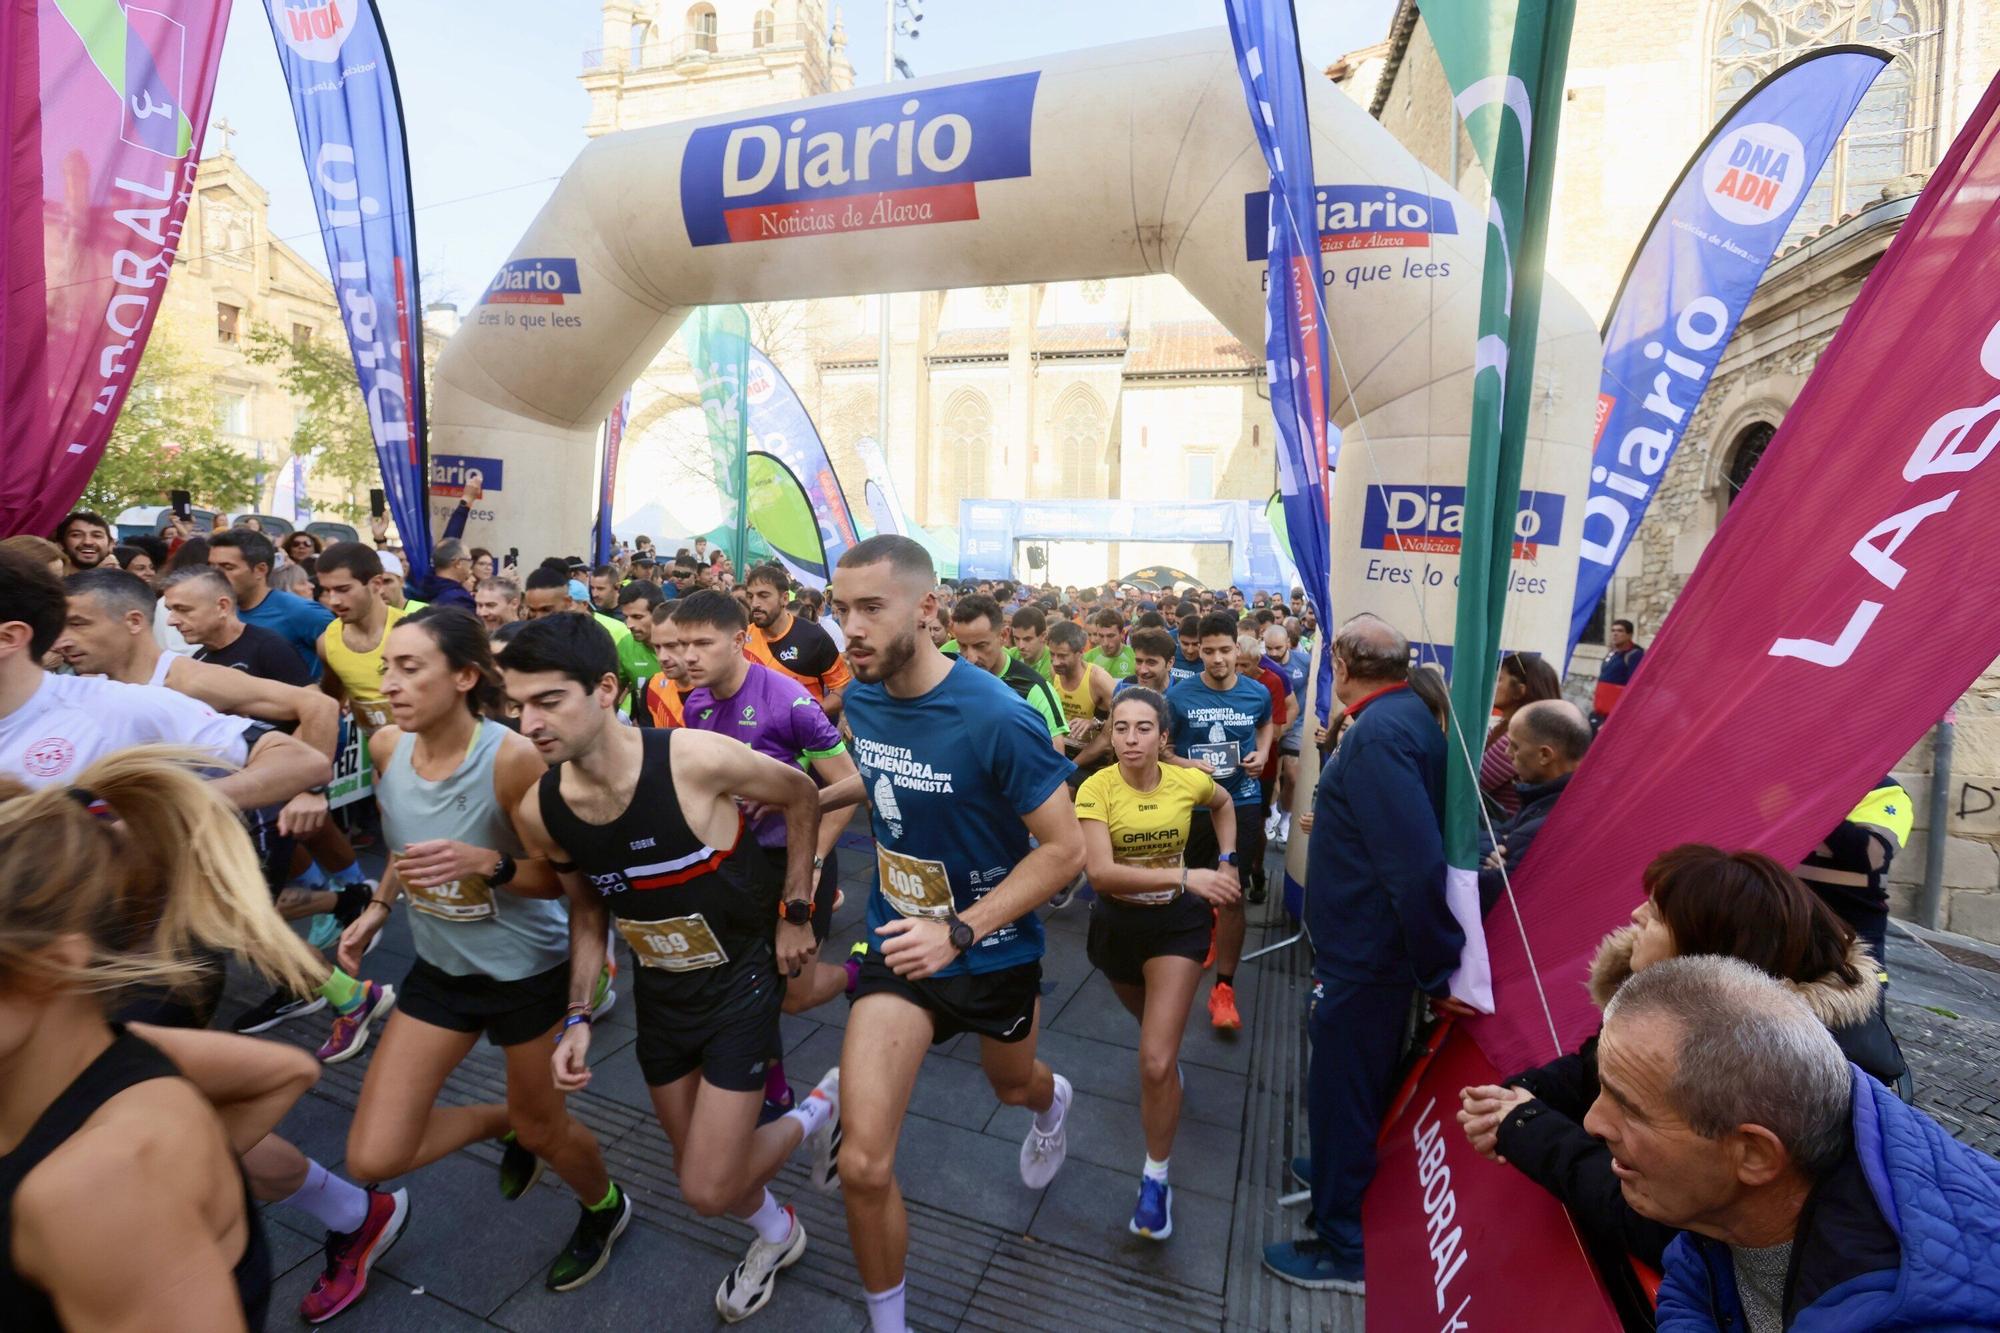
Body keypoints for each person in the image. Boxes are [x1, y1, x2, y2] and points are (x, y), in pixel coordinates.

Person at [501, 614, 843, 1323]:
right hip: (663, 990)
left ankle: (820, 1106)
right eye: (517, 704)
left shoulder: (694, 757)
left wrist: (796, 907)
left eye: (547, 701)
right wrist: (576, 1017)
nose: (528, 722)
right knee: (707, 1167)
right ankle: (781, 1235)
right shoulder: (541, 807)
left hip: (744, 975)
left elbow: (804, 793)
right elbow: (589, 910)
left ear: (604, 689)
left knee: (708, 1188)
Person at [825, 536, 1083, 1333]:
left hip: (991, 947)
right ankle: (890, 1323)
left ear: (926, 608)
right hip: (899, 943)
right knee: (863, 1164)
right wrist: (796, 808)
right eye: (841, 611)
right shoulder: (860, 696)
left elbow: (1066, 851)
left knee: (1011, 1084)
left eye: (872, 607)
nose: (852, 629)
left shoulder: (997, 716)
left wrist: (962, 929)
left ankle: (1054, 1100)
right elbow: (876, 780)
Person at [1458, 847, 1907, 1302]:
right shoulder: (1687, 1008)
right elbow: (1593, 1066)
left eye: (1654, 915)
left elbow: (1663, 1221)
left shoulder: (1766, 1069)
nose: (1634, 915)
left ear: (1703, 948)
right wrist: (1519, 1095)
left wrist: (1527, 1128)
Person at [334, 608, 628, 1296]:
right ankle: (511, 1121)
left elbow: (568, 882)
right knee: (374, 1152)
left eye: (410, 669)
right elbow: (407, 841)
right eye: (386, 669)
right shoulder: (386, 749)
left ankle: (606, 1207)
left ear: (465, 677)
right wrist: (380, 904)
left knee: (551, 1133)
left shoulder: (511, 757)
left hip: (530, 974)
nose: (391, 685)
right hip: (441, 969)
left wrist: (488, 863)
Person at [0, 749, 332, 1332]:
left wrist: (167, 1192)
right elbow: (284, 1072)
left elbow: (289, 1072)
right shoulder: (119, 1047)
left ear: (50, 968)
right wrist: (199, 1191)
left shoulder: (101, 1190)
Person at [1584, 957, 2000, 1331]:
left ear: (1753, 1154)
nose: (1592, 1122)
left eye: (1632, 1110)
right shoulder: (1717, 1213)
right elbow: (1691, 1286)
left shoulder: (1921, 1313)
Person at [1265, 613, 1462, 1293]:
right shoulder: (1399, 715)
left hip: (1367, 955)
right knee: (1348, 1086)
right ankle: (1338, 1172)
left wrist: (1437, 958)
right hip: (1365, 947)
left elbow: (1411, 864)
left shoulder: (1379, 732)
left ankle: (1343, 1241)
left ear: (1343, 667)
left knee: (1343, 1086)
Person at [673, 591, 862, 1116]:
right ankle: (775, 1090)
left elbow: (853, 786)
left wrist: (786, 803)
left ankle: (857, 973)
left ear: (737, 641)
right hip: (735, 868)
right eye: (681, 644)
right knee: (747, 988)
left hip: (794, 863)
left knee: (795, 995)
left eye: (702, 644)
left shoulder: (789, 702)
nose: (688, 656)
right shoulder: (697, 703)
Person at [1076, 687, 1240, 1241]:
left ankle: (1155, 1180)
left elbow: (1223, 802)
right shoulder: (1095, 789)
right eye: (1120, 728)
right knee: (1154, 1040)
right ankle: (1166, 1066)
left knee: (1152, 1061)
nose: (1129, 739)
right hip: (1117, 929)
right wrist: (1186, 874)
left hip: (1177, 924)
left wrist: (1227, 860)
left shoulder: (1186, 781)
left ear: (1164, 737)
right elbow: (1099, 874)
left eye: (1143, 728)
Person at [1165, 612, 1275, 1032]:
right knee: (1189, 891)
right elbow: (1164, 749)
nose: (1216, 659)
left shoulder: (1256, 693)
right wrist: (1185, 762)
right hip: (1193, 807)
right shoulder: (1179, 697)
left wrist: (1263, 754)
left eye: (1224, 650)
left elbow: (1265, 726)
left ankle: (1223, 989)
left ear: (1238, 647)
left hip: (1242, 801)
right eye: (1207, 651)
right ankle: (1188, 952)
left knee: (1232, 893)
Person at [1477, 699, 1592, 910]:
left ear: (1545, 755)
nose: (1507, 754)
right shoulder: (1558, 797)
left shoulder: (1548, 824)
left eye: (1515, 746)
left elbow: (1486, 893)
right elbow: (1500, 833)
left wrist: (1479, 849)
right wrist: (1487, 845)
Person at [1797, 778, 1913, 977]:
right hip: (1789, 923)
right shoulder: (1793, 781)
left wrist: (1809, 806)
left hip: (1852, 938)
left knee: (1853, 1001)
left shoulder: (1884, 789)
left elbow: (1872, 855)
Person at [522, 566, 657, 710]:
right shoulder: (523, 643)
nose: (539, 618)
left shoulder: (594, 637)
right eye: (532, 610)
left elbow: (609, 689)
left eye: (546, 609)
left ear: (568, 603)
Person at [949, 594, 1068, 748]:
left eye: (981, 646)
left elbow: (1056, 757)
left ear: (1003, 636)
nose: (970, 658)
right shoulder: (949, 677)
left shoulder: (1034, 690)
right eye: (963, 646)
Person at [161, 566, 311, 687]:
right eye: (170, 610)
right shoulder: (199, 659)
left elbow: (315, 706)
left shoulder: (269, 648)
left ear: (222, 606)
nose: (171, 621)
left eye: (183, 610)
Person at [211, 529, 334, 676]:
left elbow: (344, 665)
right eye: (212, 567)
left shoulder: (301, 612)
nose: (215, 575)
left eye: (228, 567)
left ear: (260, 570)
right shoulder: (220, 611)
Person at [316, 542, 407, 739]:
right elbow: (331, 702)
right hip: (379, 761)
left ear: (376, 584)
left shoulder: (412, 633)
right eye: (327, 590)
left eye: (343, 589)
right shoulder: (327, 643)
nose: (333, 601)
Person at [742, 563, 852, 721]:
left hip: (804, 740)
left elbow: (842, 690)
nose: (755, 604)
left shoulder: (813, 636)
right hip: (755, 739)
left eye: (763, 595)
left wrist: (806, 716)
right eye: (750, 596)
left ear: (784, 598)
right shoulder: (742, 638)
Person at [1236, 631, 1292, 906]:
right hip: (1230, 764)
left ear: (1257, 661)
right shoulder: (1224, 681)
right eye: (1236, 664)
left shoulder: (1272, 681)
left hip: (1263, 764)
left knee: (1256, 821)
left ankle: (1257, 871)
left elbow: (1278, 730)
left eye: (1244, 665)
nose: (1238, 671)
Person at [1478, 652, 1563, 820]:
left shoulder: (1521, 737)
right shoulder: (1507, 727)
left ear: (1520, 690)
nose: (1492, 685)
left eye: (1499, 679)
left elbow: (1472, 782)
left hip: (1502, 829)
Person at [1048, 619, 1116, 772]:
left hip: (1092, 755)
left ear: (1080, 653)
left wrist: (1094, 723)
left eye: (1063, 656)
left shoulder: (1099, 680)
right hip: (1061, 748)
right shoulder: (1055, 672)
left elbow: (1108, 738)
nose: (1056, 662)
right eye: (1052, 654)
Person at [1263, 624, 1309, 847]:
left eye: (1277, 648)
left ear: (1289, 643)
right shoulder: (1261, 662)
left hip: (1296, 725)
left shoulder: (1304, 661)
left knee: (1292, 775)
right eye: (1268, 648)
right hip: (1270, 726)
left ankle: (1286, 819)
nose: (1272, 653)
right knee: (1271, 777)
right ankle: (1272, 813)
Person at [642, 603, 696, 727]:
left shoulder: (718, 691)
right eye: (657, 647)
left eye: (671, 646)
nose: (662, 657)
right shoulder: (653, 687)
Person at [1592, 618, 1645, 725]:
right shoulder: (1612, 653)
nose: (1615, 634)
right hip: (1602, 711)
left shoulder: (1634, 655)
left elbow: (1635, 685)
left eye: (1620, 631)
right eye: (1613, 630)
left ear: (1629, 635)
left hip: (1617, 715)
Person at [1121, 626, 1179, 696]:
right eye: (1139, 661)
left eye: (1151, 663)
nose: (1142, 670)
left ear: (1170, 663)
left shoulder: (1182, 693)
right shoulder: (1124, 686)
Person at [422, 540, 478, 611]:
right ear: (458, 563)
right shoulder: (460, 600)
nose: (471, 564)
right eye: (469, 560)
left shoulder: (425, 589)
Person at [1007, 606, 1056, 684]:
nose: (1021, 646)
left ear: (1043, 636)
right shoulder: (1009, 655)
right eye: (1016, 638)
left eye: (1027, 639)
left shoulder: (1054, 663)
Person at [1085, 609, 1136, 680]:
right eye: (1101, 636)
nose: (1105, 643)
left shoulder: (1135, 657)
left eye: (1110, 636)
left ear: (1122, 634)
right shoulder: (1087, 659)